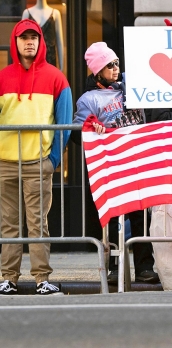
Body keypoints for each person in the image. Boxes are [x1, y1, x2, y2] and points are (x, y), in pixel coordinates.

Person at [73, 42, 159, 284]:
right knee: (110, 218)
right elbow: (77, 130)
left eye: (116, 63)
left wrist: (170, 34)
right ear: (97, 71)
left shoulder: (133, 87)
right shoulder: (89, 99)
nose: (115, 68)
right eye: (109, 65)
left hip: (136, 160)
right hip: (111, 166)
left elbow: (157, 70)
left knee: (142, 214)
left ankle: (144, 266)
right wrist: (90, 124)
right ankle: (112, 267)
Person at [0, 19, 73, 295]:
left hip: (37, 163)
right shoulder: (3, 76)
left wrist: (52, 160)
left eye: (34, 37)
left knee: (37, 224)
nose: (29, 41)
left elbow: (64, 124)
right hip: (5, 163)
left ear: (41, 41)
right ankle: (9, 278)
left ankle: (42, 278)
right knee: (8, 224)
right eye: (24, 37)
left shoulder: (56, 77)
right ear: (15, 42)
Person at [22, 0, 64, 71]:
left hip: (50, 62)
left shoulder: (55, 14)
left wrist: (61, 67)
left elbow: (60, 42)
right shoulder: (27, 13)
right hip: (31, 61)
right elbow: (21, 41)